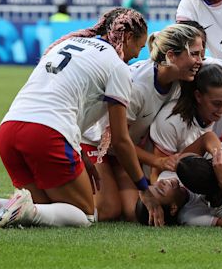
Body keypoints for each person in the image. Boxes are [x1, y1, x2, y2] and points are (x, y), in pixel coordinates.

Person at [0, 7, 166, 230]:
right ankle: (25, 208)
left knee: (50, 206)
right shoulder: (118, 67)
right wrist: (144, 189)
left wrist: (78, 151)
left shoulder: (65, 44)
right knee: (84, 214)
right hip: (46, 133)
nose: (137, 55)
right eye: (138, 47)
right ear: (127, 37)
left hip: (8, 130)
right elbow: (120, 140)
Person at [80, 23, 204, 221]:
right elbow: (114, 141)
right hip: (96, 144)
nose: (201, 61)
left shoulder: (177, 79)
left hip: (122, 150)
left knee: (134, 212)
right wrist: (157, 161)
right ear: (171, 56)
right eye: (195, 54)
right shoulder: (137, 87)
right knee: (108, 210)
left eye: (201, 54)